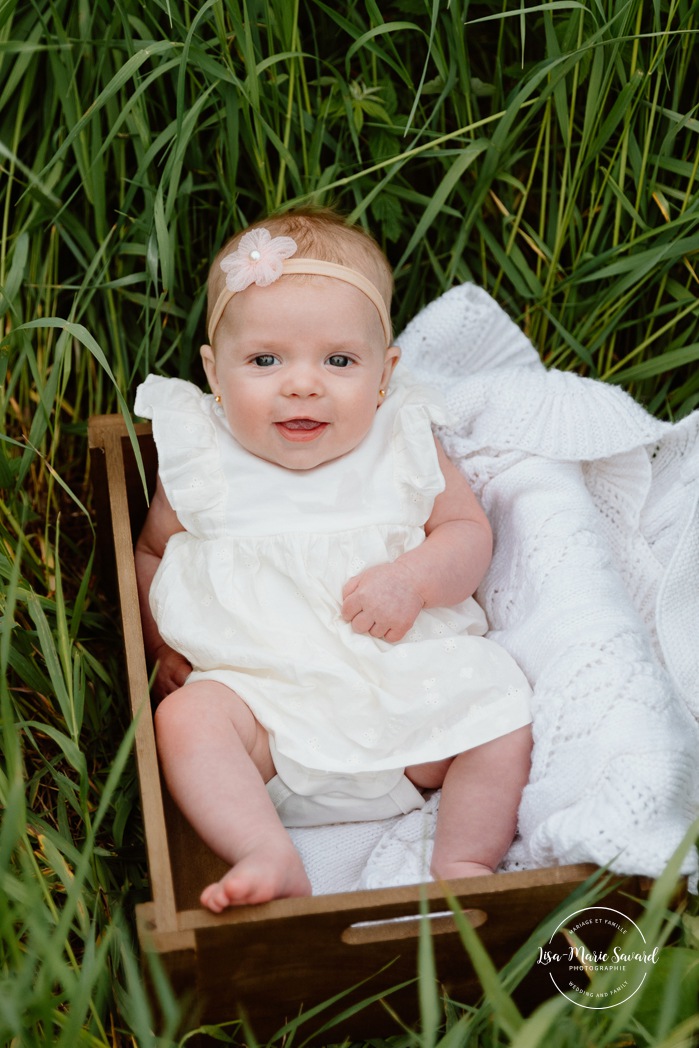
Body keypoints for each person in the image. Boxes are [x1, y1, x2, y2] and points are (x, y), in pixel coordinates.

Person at [134, 207, 533, 913]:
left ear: (385, 374)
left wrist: (413, 579)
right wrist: (161, 641)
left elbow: (467, 532)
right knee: (187, 720)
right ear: (213, 372)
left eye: (338, 361)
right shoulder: (199, 455)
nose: (302, 384)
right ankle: (266, 848)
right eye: (265, 360)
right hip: (267, 727)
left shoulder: (401, 439)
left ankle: (463, 858)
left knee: (499, 705)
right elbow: (152, 550)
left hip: (409, 715)